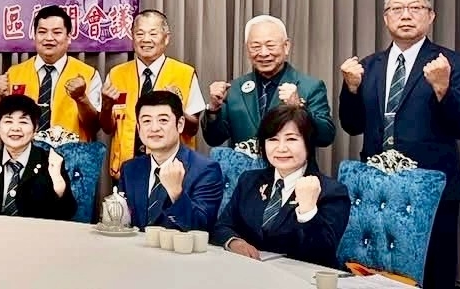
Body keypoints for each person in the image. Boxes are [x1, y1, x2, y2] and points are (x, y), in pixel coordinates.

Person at [337, 0, 460, 289]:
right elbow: (352, 126)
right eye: (397, 9)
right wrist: (351, 89)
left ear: (431, 15)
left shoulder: (450, 63)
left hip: (433, 191)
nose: (406, 15)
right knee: (375, 274)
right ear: (386, 17)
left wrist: (443, 89)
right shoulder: (368, 65)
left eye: (415, 8)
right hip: (378, 192)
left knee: (434, 275)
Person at [212, 105, 350, 268]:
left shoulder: (332, 192)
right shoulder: (249, 180)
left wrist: (308, 212)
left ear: (308, 143)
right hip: (250, 272)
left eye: (291, 139)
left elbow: (323, 253)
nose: (281, 148)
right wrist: (234, 242)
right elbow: (222, 226)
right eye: (273, 139)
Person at [98, 10, 205, 179]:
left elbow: (192, 128)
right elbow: (107, 128)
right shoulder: (116, 74)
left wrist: (176, 108)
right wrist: (106, 106)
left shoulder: (185, 74)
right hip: (127, 170)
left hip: (173, 171)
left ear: (166, 38)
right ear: (132, 37)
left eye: (153, 34)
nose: (146, 39)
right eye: (140, 34)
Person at [202, 15, 336, 150]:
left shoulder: (310, 87)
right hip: (244, 164)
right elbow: (214, 139)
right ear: (247, 50)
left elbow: (326, 137)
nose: (263, 53)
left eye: (270, 46)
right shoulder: (235, 88)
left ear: (286, 46)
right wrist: (213, 109)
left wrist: (300, 109)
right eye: (255, 46)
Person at [118, 91, 223, 232]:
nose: (154, 128)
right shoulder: (130, 169)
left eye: (163, 120)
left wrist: (176, 194)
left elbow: (202, 228)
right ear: (138, 128)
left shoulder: (206, 170)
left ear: (180, 124)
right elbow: (123, 223)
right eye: (147, 121)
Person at [0, 94, 75, 220]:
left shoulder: (49, 163)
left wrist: (59, 188)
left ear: (35, 127)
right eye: (8, 121)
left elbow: (66, 214)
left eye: (23, 122)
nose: (15, 128)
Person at [0, 5, 101, 141]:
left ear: (69, 37)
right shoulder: (13, 74)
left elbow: (94, 126)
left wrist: (81, 98)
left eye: (57, 32)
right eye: (42, 32)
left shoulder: (88, 74)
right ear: (34, 36)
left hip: (72, 152)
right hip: (24, 152)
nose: (49, 38)